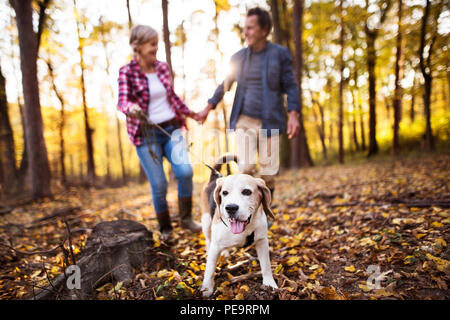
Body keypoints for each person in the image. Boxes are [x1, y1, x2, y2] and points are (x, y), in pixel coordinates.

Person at [197, 7, 300, 197]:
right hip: (245, 119)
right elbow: (224, 86)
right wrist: (207, 108)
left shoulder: (280, 54)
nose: (246, 32)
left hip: (271, 121)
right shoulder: (238, 58)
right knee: (245, 168)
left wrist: (293, 114)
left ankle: (265, 212)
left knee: (268, 173)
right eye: (245, 27)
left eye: (251, 28)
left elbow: (291, 86)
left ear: (264, 30)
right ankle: (246, 214)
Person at [117, 25, 202, 240]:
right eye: (152, 44)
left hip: (171, 128)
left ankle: (186, 218)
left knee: (185, 171)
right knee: (159, 184)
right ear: (137, 45)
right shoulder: (126, 71)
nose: (156, 48)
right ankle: (165, 229)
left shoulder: (162, 68)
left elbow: (172, 98)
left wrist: (192, 114)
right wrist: (131, 109)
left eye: (156, 43)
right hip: (145, 135)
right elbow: (122, 101)